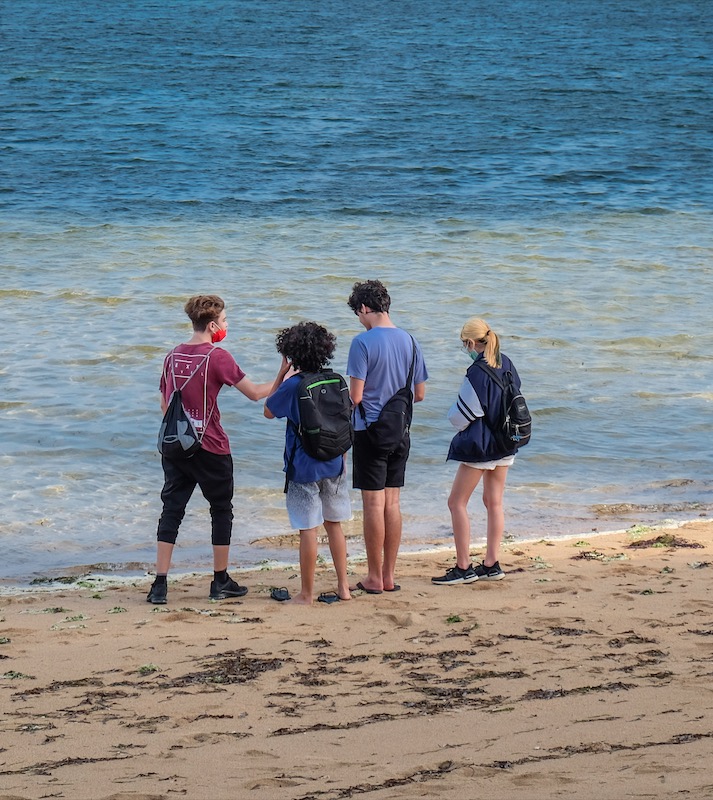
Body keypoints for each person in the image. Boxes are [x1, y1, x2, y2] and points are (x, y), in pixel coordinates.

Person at [147, 295, 288, 605]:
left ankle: (159, 585)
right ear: (212, 325)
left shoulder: (171, 356)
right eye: (224, 321)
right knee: (221, 511)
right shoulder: (218, 357)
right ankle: (220, 580)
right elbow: (254, 394)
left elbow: (164, 404)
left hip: (175, 447)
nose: (226, 326)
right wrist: (282, 376)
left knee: (171, 511)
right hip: (211, 446)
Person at [346, 280, 428, 594]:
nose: (359, 319)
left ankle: (373, 578)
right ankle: (389, 575)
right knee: (392, 504)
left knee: (372, 505)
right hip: (400, 432)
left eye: (358, 313)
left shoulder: (362, 343)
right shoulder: (410, 341)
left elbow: (355, 396)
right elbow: (419, 393)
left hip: (369, 431)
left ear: (364, 308)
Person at [264, 322, 352, 605]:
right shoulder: (335, 381)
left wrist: (280, 374)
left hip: (304, 467)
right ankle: (344, 587)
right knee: (334, 525)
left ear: (292, 355)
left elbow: (268, 411)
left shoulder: (293, 385)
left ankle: (306, 594)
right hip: (335, 462)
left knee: (308, 530)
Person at [432, 317, 522, 585]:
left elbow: (463, 414)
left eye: (464, 345)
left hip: (482, 447)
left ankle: (463, 567)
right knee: (494, 503)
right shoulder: (506, 362)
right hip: (507, 441)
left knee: (456, 502)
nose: (465, 350)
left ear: (472, 342)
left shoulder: (476, 372)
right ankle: (492, 564)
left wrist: (451, 418)